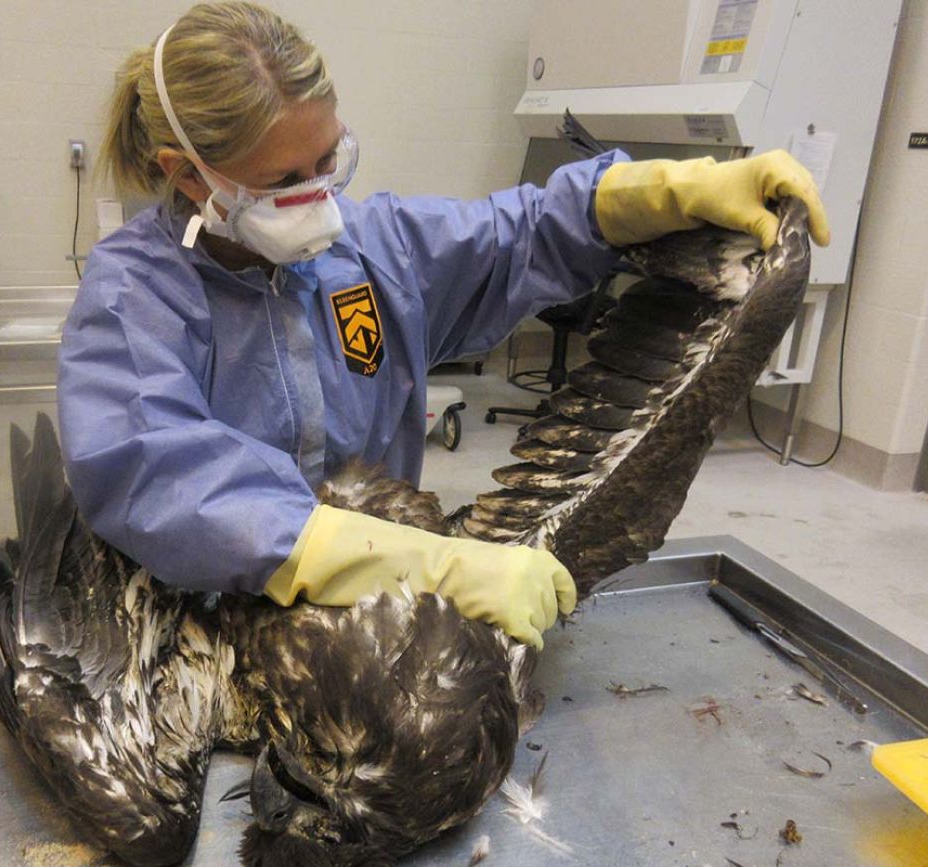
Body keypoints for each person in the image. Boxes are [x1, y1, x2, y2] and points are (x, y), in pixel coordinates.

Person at [57, 1, 829, 649]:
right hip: (201, 634)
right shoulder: (133, 300)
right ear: (188, 173)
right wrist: (428, 566)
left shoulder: (363, 254)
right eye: (284, 181)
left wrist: (661, 188)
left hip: (376, 626)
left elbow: (514, 237)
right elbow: (159, 474)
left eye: (329, 160)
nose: (320, 197)